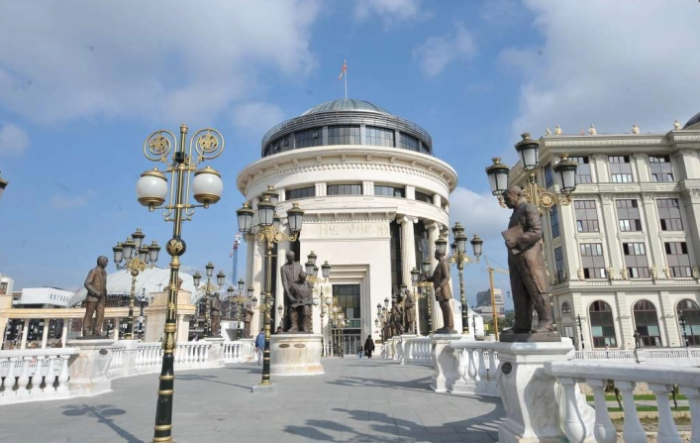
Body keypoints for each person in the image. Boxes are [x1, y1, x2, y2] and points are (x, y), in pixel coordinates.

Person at [502, 185, 552, 334]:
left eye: (507, 198)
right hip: (516, 258)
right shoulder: (515, 213)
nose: (505, 202)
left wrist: (516, 241)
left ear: (517, 195)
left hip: (530, 257)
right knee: (519, 292)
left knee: (537, 288)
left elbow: (536, 231)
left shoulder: (529, 208)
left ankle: (546, 322)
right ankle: (522, 325)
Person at [83, 256, 108, 337]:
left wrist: (104, 295)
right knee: (89, 314)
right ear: (100, 262)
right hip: (93, 297)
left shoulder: (104, 272)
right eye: (105, 261)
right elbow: (87, 283)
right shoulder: (94, 271)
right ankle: (86, 330)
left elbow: (103, 285)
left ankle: (97, 331)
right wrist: (95, 292)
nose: (107, 263)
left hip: (102, 297)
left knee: (100, 314)